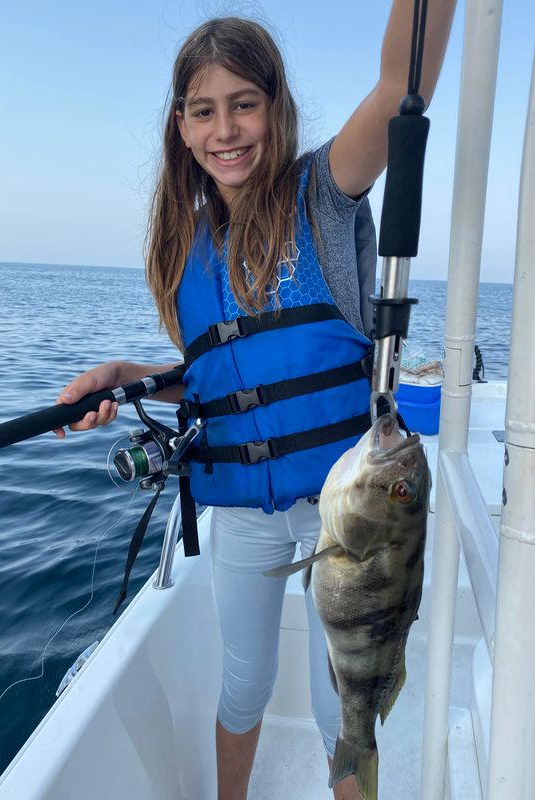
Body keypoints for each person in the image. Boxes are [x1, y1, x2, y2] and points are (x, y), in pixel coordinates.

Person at [54, 5, 456, 798]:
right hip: (239, 513)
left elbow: (398, 86)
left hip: (347, 510)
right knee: (241, 687)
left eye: (245, 102)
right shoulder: (182, 248)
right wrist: (126, 373)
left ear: (276, 106)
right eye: (204, 110)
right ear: (180, 125)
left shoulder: (323, 195)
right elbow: (215, 376)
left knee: (342, 707)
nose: (226, 129)